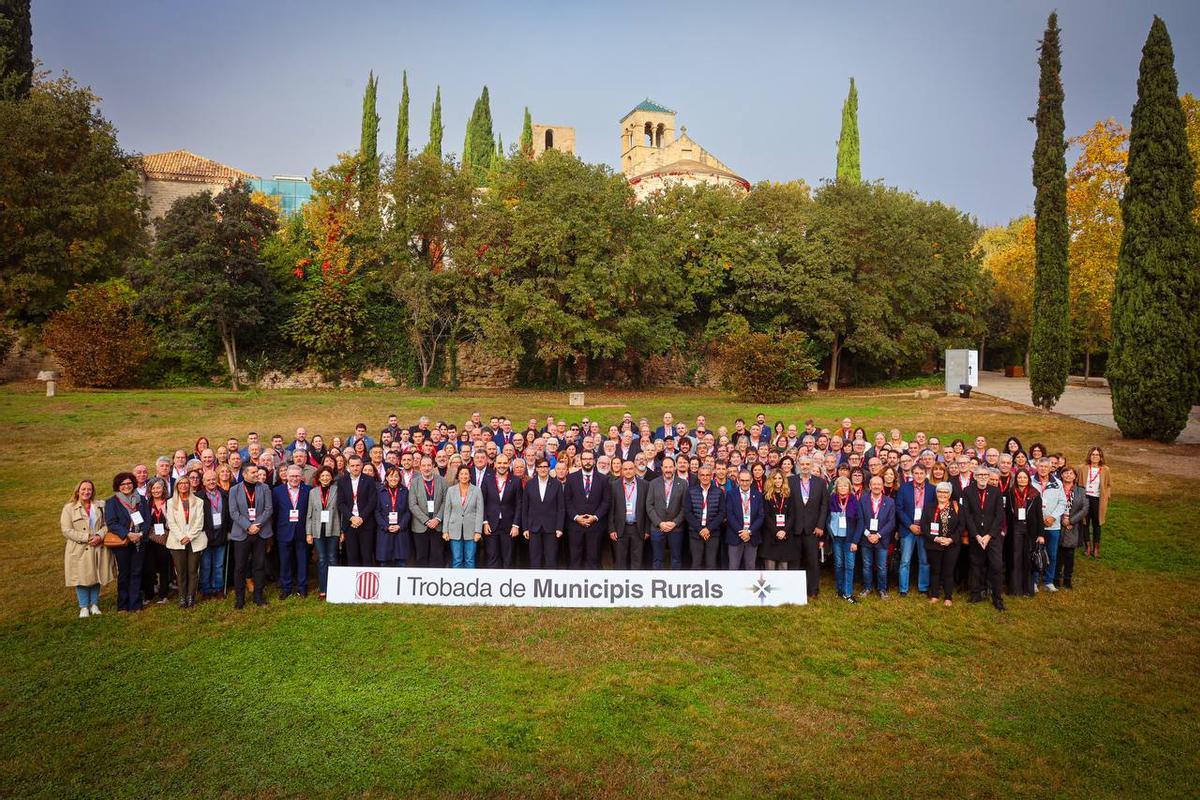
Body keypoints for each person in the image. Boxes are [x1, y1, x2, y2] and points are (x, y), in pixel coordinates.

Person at [62, 480, 115, 618]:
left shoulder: (100, 505)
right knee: (82, 577)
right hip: (79, 548)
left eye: (89, 489)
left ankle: (94, 604)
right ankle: (84, 607)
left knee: (96, 575)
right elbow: (66, 530)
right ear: (78, 491)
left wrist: (99, 535)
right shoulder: (69, 508)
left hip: (98, 546)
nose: (86, 492)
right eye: (83, 489)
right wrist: (87, 537)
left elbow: (107, 524)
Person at [230, 464, 273, 608]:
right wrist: (248, 526)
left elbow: (268, 509)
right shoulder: (234, 490)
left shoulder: (264, 488)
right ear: (245, 474)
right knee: (240, 567)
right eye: (253, 472)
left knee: (259, 565)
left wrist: (257, 525)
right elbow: (233, 512)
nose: (256, 474)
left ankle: (258, 596)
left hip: (260, 533)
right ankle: (239, 598)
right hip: (242, 533)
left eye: (257, 472)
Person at [962, 467, 1005, 611]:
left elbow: (999, 515)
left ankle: (997, 598)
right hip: (976, 536)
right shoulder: (967, 491)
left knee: (996, 566)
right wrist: (977, 535)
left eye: (985, 475)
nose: (983, 477)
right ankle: (976, 594)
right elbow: (967, 515)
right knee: (975, 566)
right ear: (974, 476)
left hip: (992, 536)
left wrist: (989, 535)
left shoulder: (996, 491)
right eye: (980, 474)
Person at [788, 456, 828, 599]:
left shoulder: (820, 483)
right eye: (802, 464)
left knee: (812, 561)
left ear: (812, 465)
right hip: (795, 529)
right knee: (794, 561)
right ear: (798, 465)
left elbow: (824, 506)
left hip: (812, 530)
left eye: (807, 464)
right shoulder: (790, 481)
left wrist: (820, 525)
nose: (805, 466)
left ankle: (813, 590)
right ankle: (793, 590)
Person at [564, 451, 611, 569]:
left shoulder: (603, 479)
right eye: (585, 459)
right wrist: (576, 517)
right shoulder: (571, 478)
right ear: (581, 461)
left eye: (590, 459)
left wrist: (595, 517)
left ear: (594, 461)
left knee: (594, 560)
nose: (587, 461)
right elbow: (567, 500)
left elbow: (606, 501)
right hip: (575, 526)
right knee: (575, 560)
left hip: (595, 526)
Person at [165, 470, 205, 608]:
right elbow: (171, 522)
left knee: (193, 570)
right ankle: (182, 597)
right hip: (177, 541)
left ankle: (191, 596)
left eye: (186, 483)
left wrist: (190, 536)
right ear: (177, 486)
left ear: (190, 485)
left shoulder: (198, 501)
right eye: (180, 483)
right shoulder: (170, 502)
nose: (183, 485)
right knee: (181, 571)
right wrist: (182, 537)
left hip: (194, 540)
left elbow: (199, 522)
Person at [895, 463, 935, 597]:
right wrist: (910, 525)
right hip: (908, 529)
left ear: (926, 474)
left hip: (924, 530)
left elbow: (934, 510)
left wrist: (924, 527)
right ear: (912, 474)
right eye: (916, 473)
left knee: (924, 560)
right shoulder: (904, 488)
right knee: (905, 560)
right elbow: (899, 509)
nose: (919, 476)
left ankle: (923, 587)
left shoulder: (932, 489)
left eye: (921, 473)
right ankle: (903, 589)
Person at [272, 465, 311, 599]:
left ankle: (302, 587)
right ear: (286, 476)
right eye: (292, 476)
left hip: (302, 531)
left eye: (297, 476)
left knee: (302, 560)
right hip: (284, 531)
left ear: (301, 477)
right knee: (285, 561)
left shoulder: (308, 490)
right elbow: (275, 513)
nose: (294, 478)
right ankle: (286, 587)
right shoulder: (277, 491)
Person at [923, 482, 963, 606]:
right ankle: (935, 595)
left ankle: (948, 597)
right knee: (935, 571)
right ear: (936, 493)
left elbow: (961, 527)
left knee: (948, 571)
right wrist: (935, 539)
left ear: (950, 494)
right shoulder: (929, 507)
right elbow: (924, 526)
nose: (942, 494)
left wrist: (951, 539)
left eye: (945, 492)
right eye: (940, 491)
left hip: (951, 545)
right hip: (934, 544)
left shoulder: (957, 507)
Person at [1004, 469, 1041, 597]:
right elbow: (1006, 513)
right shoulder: (1010, 493)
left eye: (1025, 477)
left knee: (1027, 558)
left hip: (1030, 529)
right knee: (1015, 557)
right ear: (1016, 479)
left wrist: (1040, 534)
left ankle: (1027, 589)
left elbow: (1039, 515)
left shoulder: (1035, 494)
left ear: (1028, 479)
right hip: (1015, 528)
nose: (1022, 480)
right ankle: (1015, 589)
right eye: (1019, 477)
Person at [481, 453, 522, 568]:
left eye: (505, 463)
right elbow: (482, 503)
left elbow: (519, 504)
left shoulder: (515, 481)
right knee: (492, 558)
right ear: (495, 464)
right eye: (499, 463)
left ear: (509, 464)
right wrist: (485, 522)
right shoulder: (487, 479)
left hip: (509, 526)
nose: (502, 465)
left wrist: (516, 525)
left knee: (508, 559)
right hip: (491, 525)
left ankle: (507, 584)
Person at [305, 467, 341, 598]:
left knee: (332, 558)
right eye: (323, 476)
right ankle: (323, 588)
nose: (325, 478)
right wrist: (308, 533)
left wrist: (342, 531)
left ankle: (336, 587)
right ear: (318, 478)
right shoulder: (313, 492)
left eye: (328, 475)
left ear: (332, 477)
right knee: (321, 559)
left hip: (334, 528)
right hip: (317, 530)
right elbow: (309, 513)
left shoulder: (337, 490)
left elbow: (341, 512)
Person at [646, 456, 688, 569]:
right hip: (657, 528)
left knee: (676, 558)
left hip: (676, 528)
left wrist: (675, 523)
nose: (668, 469)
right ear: (662, 468)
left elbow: (685, 507)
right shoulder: (653, 483)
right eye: (666, 467)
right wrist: (660, 523)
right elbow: (649, 505)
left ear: (675, 468)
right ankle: (658, 584)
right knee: (657, 559)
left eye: (670, 467)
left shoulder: (683, 484)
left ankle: (675, 584)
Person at [522, 459, 565, 568]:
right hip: (533, 527)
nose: (543, 469)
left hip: (551, 528)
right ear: (536, 469)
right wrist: (525, 528)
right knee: (534, 559)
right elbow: (525, 507)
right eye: (540, 467)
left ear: (549, 468)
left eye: (545, 467)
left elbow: (561, 508)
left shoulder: (556, 484)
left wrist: (559, 528)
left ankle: (550, 583)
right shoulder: (529, 484)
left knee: (551, 559)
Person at [859, 476, 896, 598]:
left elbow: (891, 522)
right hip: (866, 538)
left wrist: (878, 535)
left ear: (882, 486)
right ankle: (867, 587)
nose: (876, 486)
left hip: (882, 538)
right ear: (869, 486)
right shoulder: (863, 500)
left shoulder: (889, 501)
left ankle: (882, 589)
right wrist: (868, 534)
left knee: (881, 566)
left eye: (879, 484)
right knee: (866, 565)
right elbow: (860, 520)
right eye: (873, 484)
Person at [337, 455, 378, 567]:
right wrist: (352, 518)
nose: (355, 468)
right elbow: (341, 503)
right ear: (348, 466)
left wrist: (361, 518)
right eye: (352, 466)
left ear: (361, 466)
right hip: (350, 524)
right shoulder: (342, 481)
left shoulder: (369, 480)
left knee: (367, 556)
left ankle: (367, 583)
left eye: (357, 465)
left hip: (366, 523)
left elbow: (372, 502)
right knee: (352, 556)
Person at [409, 455, 448, 567]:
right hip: (420, 526)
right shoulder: (414, 482)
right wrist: (426, 520)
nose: (426, 468)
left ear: (433, 466)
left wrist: (437, 519)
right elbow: (412, 505)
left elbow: (446, 502)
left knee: (437, 557)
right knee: (421, 557)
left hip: (438, 525)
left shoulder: (442, 481)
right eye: (424, 465)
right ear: (420, 467)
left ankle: (436, 582)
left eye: (429, 465)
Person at [609, 459, 649, 569]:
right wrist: (612, 529)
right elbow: (611, 509)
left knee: (637, 561)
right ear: (621, 471)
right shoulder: (614, 485)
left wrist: (646, 529)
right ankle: (621, 584)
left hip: (638, 528)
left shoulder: (645, 485)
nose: (628, 471)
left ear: (635, 469)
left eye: (630, 468)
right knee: (620, 561)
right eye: (625, 469)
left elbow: (648, 509)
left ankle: (635, 584)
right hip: (620, 528)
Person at [442, 465, 484, 568]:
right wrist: (445, 531)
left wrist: (478, 531)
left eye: (466, 474)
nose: (464, 476)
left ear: (470, 476)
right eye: (461, 474)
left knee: (470, 559)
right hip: (454, 530)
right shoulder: (451, 490)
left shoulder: (477, 490)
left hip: (471, 530)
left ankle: (470, 583)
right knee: (457, 559)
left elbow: (480, 512)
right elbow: (447, 511)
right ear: (458, 476)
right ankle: (457, 583)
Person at [1034, 457, 1065, 592]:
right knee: (1035, 553)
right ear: (1037, 467)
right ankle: (1033, 581)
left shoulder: (1057, 483)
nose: (1043, 469)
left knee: (1052, 554)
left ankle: (1048, 581)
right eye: (1041, 466)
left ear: (1050, 468)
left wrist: (1053, 516)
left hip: (1053, 525)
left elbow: (1062, 502)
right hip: (1035, 525)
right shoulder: (1030, 481)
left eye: (1046, 467)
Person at [828, 477, 862, 602]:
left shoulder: (854, 501)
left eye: (845, 486)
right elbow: (827, 519)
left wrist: (855, 541)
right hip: (837, 538)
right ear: (836, 488)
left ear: (849, 488)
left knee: (849, 565)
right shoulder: (831, 500)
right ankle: (840, 589)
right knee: (838, 564)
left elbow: (860, 521)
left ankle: (848, 593)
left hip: (850, 538)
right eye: (840, 486)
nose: (842, 488)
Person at [684, 465, 724, 570]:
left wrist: (708, 529)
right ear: (698, 476)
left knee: (711, 564)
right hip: (695, 532)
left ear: (712, 476)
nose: (705, 477)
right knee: (696, 563)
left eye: (707, 475)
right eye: (702, 475)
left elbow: (721, 513)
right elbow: (688, 512)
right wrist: (700, 529)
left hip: (713, 533)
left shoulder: (719, 492)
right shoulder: (690, 491)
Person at [199, 469, 230, 600]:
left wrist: (229, 531)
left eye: (213, 479)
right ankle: (205, 589)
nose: (211, 482)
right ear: (203, 482)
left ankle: (218, 588)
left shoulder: (224, 495)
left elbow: (229, 515)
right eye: (208, 480)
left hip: (221, 533)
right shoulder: (199, 497)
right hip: (205, 535)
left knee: (219, 564)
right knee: (205, 564)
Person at [1057, 466, 1090, 590]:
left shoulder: (1081, 491)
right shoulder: (1057, 488)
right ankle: (1055, 578)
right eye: (1065, 473)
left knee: (1069, 554)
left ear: (1075, 476)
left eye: (1071, 473)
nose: (1068, 475)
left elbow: (1085, 509)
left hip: (1073, 526)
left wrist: (1070, 521)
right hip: (1057, 524)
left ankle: (1067, 580)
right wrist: (1061, 520)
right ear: (1062, 475)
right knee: (1057, 553)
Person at [725, 470, 764, 570]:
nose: (745, 483)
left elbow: (760, 516)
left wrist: (749, 532)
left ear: (751, 480)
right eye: (742, 480)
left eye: (747, 480)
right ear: (738, 480)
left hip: (752, 536)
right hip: (735, 535)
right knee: (733, 567)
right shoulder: (731, 494)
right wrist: (742, 532)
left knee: (750, 567)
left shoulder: (758, 495)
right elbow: (730, 515)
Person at [142, 477, 173, 604]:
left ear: (163, 488)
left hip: (166, 539)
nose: (156, 490)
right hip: (150, 539)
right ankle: (149, 595)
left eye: (158, 487)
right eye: (153, 488)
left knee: (165, 567)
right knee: (149, 568)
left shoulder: (169, 502)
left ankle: (163, 595)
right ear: (150, 490)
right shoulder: (146, 504)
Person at [760, 470, 795, 570]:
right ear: (771, 480)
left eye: (780, 478)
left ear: (783, 480)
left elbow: (792, 515)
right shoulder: (766, 496)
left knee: (783, 568)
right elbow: (766, 516)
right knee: (770, 568)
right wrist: (776, 531)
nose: (777, 481)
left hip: (785, 536)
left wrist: (784, 531)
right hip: (770, 536)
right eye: (775, 478)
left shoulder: (789, 495)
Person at [376, 468, 411, 567]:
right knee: (384, 563)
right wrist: (386, 526)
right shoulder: (380, 491)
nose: (394, 479)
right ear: (386, 477)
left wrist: (400, 526)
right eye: (391, 476)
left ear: (400, 478)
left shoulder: (405, 491)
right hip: (384, 532)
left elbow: (408, 512)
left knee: (401, 562)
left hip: (401, 532)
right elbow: (377, 512)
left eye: (396, 476)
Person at [1082, 447, 1111, 558]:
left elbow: (1108, 485)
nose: (1095, 456)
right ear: (1089, 456)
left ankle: (1096, 548)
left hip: (1098, 499)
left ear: (1101, 457)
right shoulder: (1083, 468)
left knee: (1097, 523)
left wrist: (1106, 496)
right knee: (1085, 523)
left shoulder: (1105, 469)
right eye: (1093, 454)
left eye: (1097, 455)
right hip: (1085, 498)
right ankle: (1087, 546)